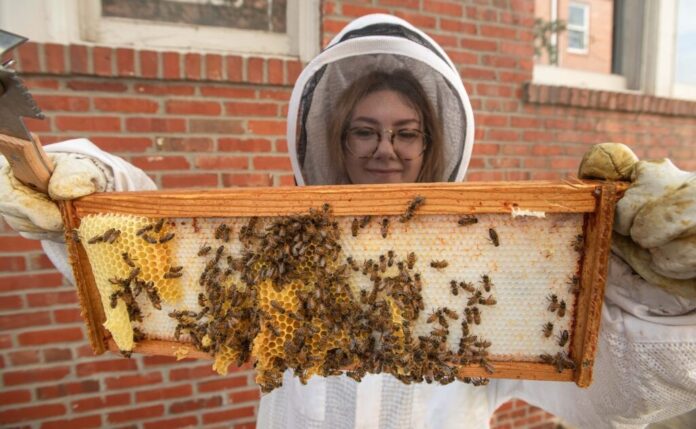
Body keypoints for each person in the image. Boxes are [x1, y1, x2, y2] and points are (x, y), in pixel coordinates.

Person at [1, 13, 694, 429]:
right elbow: (159, 262)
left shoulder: (487, 268)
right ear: (333, 138)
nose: (384, 149)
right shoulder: (280, 256)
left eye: (405, 131)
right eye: (364, 131)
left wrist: (664, 297)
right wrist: (81, 189)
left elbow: (613, 395)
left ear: (433, 142)